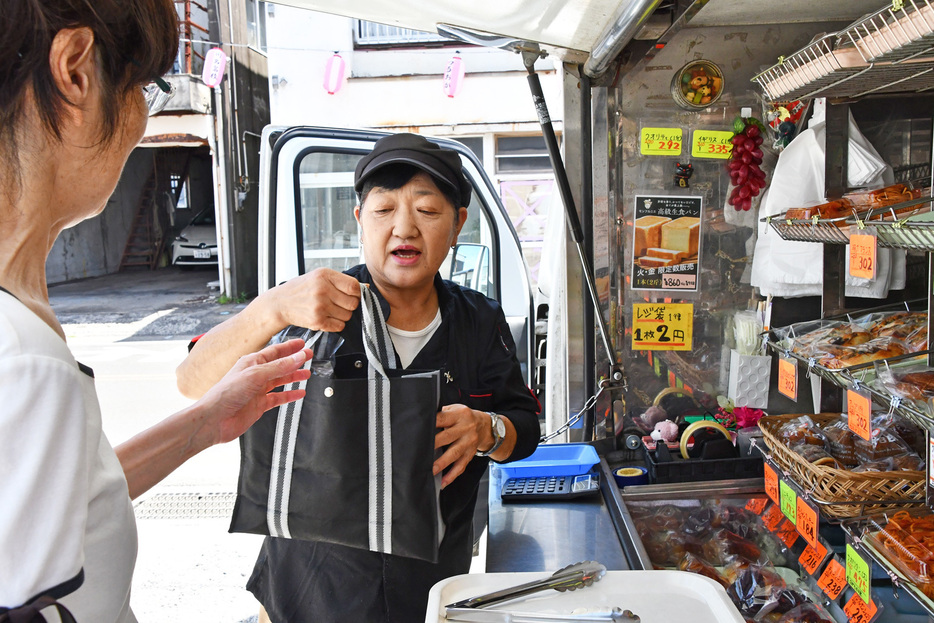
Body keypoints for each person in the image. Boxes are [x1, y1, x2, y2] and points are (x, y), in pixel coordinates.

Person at [0, 2, 313, 621]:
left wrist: (205, 421)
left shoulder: (24, 325)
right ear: (75, 72)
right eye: (143, 86)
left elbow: (60, 505)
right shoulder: (22, 361)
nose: (144, 117)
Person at [176, 132, 542, 621]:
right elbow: (193, 383)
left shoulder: (478, 320)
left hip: (431, 593)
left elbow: (523, 430)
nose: (404, 228)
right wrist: (271, 306)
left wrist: (486, 429)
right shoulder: (311, 305)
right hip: (306, 593)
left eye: (428, 212)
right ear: (360, 222)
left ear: (458, 225)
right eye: (384, 210)